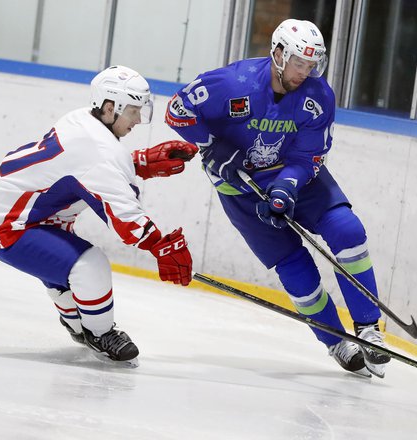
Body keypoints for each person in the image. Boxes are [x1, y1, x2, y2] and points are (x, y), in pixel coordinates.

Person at [165, 19, 390, 377]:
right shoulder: (232, 82)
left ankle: (368, 328)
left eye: (312, 64)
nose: (306, 71)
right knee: (294, 267)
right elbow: (177, 111)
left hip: (298, 179)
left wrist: (286, 186)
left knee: (347, 230)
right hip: (239, 187)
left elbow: (308, 157)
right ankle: (335, 342)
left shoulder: (319, 96)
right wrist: (211, 145)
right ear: (279, 53)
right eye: (299, 62)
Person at [0, 65, 197, 367]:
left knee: (67, 266)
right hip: (14, 225)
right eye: (134, 111)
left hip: (21, 212)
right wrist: (161, 246)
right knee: (89, 265)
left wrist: (140, 162)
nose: (138, 119)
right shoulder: (100, 152)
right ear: (110, 108)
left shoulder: (83, 119)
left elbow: (86, 168)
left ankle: (77, 324)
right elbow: (125, 217)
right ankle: (101, 334)